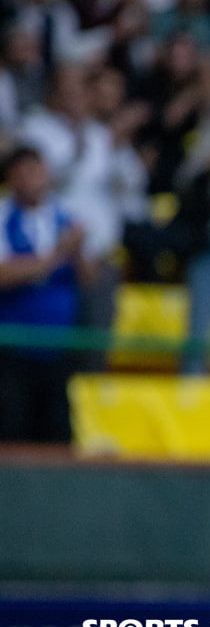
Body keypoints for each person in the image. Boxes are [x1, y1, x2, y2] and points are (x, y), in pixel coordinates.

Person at [0, 146, 90, 444]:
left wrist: (77, 254)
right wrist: (55, 256)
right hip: (12, 350)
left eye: (36, 171)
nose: (30, 179)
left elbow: (90, 279)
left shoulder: (65, 217)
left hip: (57, 349)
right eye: (22, 172)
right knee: (12, 433)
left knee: (57, 437)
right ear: (11, 177)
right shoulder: (3, 217)